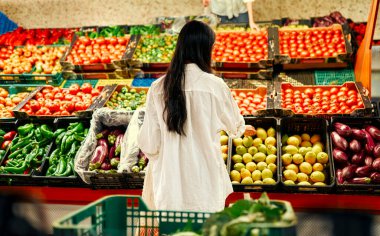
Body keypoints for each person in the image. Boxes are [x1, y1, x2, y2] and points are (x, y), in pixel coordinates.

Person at [137, 20, 255, 212]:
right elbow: (234, 126)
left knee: (175, 230)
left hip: (170, 187)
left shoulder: (157, 88)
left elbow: (149, 144)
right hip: (205, 184)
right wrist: (241, 129)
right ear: (205, 49)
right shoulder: (215, 86)